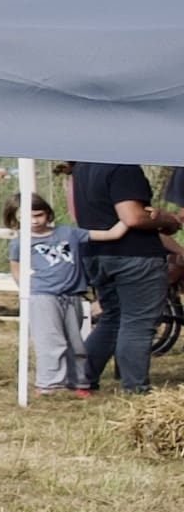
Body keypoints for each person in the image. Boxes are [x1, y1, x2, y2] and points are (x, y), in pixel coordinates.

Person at [81, 166, 172, 396]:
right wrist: (164, 219)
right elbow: (132, 216)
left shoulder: (83, 166)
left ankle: (82, 378)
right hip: (134, 255)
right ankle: (135, 390)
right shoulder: (123, 167)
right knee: (137, 323)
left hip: (96, 253)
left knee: (112, 318)